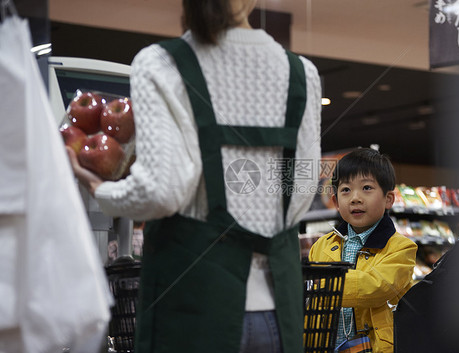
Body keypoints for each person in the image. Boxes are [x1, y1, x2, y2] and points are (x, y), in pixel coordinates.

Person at [66, 0, 322, 352]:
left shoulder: (161, 62)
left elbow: (162, 191)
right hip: (279, 315)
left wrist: (98, 187)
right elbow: (303, 188)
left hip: (194, 312)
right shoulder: (301, 73)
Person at [308, 148, 417, 353]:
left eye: (367, 188)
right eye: (346, 190)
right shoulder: (320, 247)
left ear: (388, 199)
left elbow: (376, 287)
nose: (355, 198)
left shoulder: (401, 248)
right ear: (335, 202)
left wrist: (322, 285)